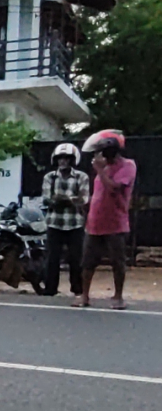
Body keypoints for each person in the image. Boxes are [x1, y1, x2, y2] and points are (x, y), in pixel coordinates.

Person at [75, 130, 136, 310]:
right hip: (95, 222)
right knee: (87, 261)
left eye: (101, 152)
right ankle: (85, 296)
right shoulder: (103, 168)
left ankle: (118, 296)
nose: (99, 156)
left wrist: (101, 170)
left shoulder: (127, 166)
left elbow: (114, 189)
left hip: (116, 222)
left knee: (117, 262)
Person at [41, 143, 90, 297]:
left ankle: (77, 289)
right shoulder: (50, 177)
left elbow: (83, 199)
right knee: (52, 258)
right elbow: (47, 199)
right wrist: (70, 200)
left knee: (76, 258)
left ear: (73, 160)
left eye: (67, 158)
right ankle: (50, 288)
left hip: (75, 223)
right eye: (60, 158)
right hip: (54, 223)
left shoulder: (82, 176)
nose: (63, 161)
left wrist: (62, 200)